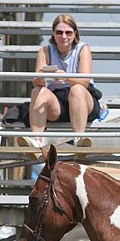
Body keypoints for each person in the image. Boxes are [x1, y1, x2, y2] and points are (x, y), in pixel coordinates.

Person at [18, 14, 100, 149]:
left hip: (83, 101)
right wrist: (42, 76)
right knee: (38, 91)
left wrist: (66, 77)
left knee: (77, 89)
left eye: (68, 32)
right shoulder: (45, 51)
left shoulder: (83, 49)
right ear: (53, 34)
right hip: (56, 103)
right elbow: (37, 82)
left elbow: (85, 81)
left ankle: (79, 138)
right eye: (59, 32)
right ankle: (37, 139)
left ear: (75, 34)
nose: (64, 36)